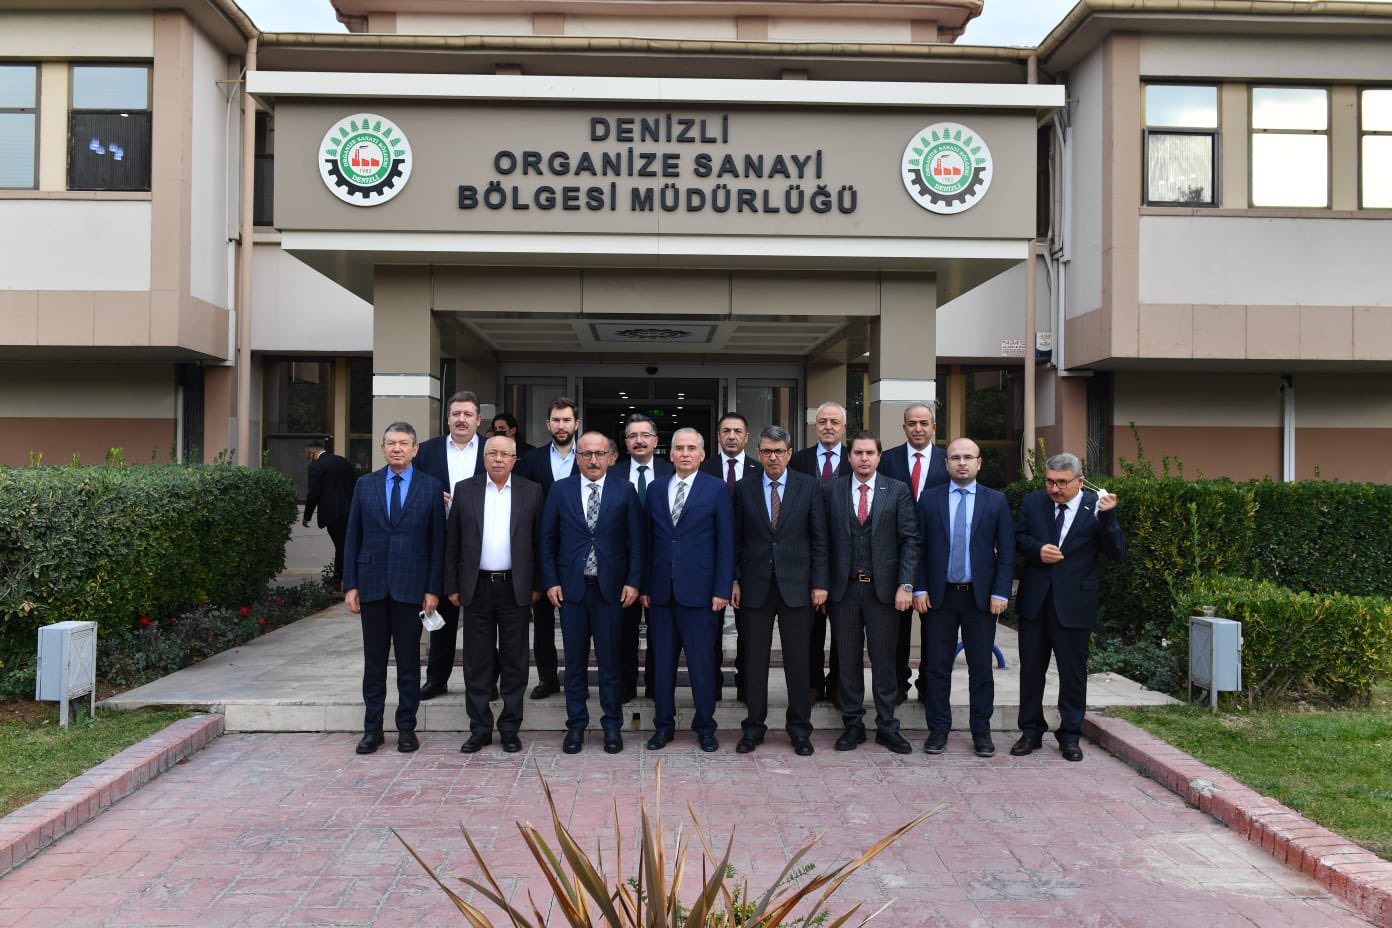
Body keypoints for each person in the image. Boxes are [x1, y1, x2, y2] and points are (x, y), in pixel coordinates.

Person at [1012, 452, 1126, 762]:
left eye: (1062, 483)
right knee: (1031, 671)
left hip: (1075, 604)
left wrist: (1110, 518)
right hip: (1035, 602)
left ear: (1079, 481)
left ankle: (1070, 736)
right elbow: (1017, 538)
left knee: (1072, 674)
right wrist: (1037, 550)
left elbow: (1116, 553)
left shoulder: (1096, 506)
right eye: (1049, 481)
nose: (1055, 489)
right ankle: (1030, 732)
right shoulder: (1033, 502)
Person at [342, 422, 445, 755]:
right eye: (391, 443)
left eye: (404, 443)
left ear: (415, 449)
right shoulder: (365, 485)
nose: (397, 448)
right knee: (374, 664)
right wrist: (350, 584)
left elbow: (437, 543)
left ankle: (406, 729)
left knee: (408, 663)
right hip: (372, 584)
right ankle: (372, 729)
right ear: (382, 448)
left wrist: (433, 589)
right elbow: (353, 537)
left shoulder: (431, 487)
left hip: (411, 587)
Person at [541, 431, 644, 754]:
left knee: (610, 664)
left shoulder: (624, 490)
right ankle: (576, 726)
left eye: (600, 453)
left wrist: (633, 582)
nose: (593, 460)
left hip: (610, 592)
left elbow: (637, 542)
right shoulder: (560, 490)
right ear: (577, 458)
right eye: (586, 454)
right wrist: (551, 581)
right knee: (574, 664)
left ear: (611, 457)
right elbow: (547, 541)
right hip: (572, 592)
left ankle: (612, 726)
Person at [443, 434, 544, 755]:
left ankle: (510, 727)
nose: (498, 459)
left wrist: (538, 585)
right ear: (484, 458)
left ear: (515, 459)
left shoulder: (532, 491)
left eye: (505, 454)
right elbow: (453, 542)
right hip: (477, 588)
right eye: (492, 453)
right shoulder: (465, 489)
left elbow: (540, 543)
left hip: (515, 588)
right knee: (477, 661)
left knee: (515, 660)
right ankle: (480, 728)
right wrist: (452, 586)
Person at [914, 437, 1015, 758]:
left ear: (979, 463)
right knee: (937, 667)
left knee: (980, 667)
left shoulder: (995, 501)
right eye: (955, 457)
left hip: (980, 599)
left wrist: (1000, 591)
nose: (961, 462)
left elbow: (1007, 552)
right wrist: (919, 588)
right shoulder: (929, 499)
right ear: (946, 464)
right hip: (939, 598)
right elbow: (917, 548)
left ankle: (981, 731)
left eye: (968, 457)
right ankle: (938, 729)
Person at [731, 425, 828, 756]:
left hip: (797, 587)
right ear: (758, 454)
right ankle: (753, 728)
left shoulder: (809, 486)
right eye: (767, 451)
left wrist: (819, 583)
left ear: (789, 454)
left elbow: (819, 539)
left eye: (779, 452)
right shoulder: (744, 488)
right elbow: (736, 539)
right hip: (754, 587)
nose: (773, 457)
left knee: (798, 661)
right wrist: (734, 580)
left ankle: (799, 730)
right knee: (754, 662)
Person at [824, 431, 921, 754]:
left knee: (884, 662)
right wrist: (821, 585)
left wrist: (906, 584)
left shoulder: (897, 490)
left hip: (885, 593)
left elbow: (910, 540)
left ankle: (887, 726)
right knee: (847, 661)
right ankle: (852, 724)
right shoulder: (832, 490)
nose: (864, 458)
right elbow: (822, 542)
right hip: (844, 592)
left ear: (879, 457)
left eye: (870, 453)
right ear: (849, 457)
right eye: (858, 453)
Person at [641, 427, 734, 752]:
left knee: (702, 665)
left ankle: (705, 727)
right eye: (679, 448)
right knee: (662, 666)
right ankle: (663, 727)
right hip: (661, 593)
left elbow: (726, 543)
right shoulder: (656, 489)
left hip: (701, 594)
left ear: (702, 454)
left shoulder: (716, 488)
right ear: (670, 454)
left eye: (691, 448)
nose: (684, 453)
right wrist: (645, 585)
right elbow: (648, 540)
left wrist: (722, 588)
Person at [877, 403, 950, 704]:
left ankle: (929, 684)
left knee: (935, 625)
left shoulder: (949, 459)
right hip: (896, 555)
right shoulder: (888, 460)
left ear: (934, 427)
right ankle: (897, 684)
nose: (918, 428)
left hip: (937, 556)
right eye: (912, 423)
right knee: (897, 626)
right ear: (904, 427)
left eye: (923, 423)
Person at [417, 391, 487, 701]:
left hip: (482, 548)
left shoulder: (491, 450)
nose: (461, 419)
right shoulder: (426, 451)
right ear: (447, 418)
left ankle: (485, 681)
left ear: (478, 419)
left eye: (468, 414)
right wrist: (431, 498)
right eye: (456, 414)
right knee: (441, 618)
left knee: (482, 623)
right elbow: (414, 490)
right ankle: (437, 679)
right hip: (440, 546)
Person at [789, 401, 852, 707]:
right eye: (823, 421)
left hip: (846, 556)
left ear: (844, 427)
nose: (828, 426)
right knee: (810, 628)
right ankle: (813, 683)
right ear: (815, 426)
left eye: (834, 422)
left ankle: (838, 684)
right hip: (807, 555)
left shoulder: (855, 458)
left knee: (844, 627)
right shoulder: (798, 460)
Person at [518, 396, 581, 699]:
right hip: (541, 551)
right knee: (542, 621)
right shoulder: (532, 460)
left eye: (566, 420)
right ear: (547, 424)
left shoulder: (589, 457)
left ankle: (577, 678)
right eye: (556, 420)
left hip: (579, 554)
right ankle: (547, 678)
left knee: (579, 622)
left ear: (576, 424)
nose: (561, 425)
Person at [699, 411, 760, 701]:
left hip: (751, 565)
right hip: (710, 564)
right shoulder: (704, 468)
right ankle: (712, 687)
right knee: (710, 632)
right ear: (718, 436)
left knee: (749, 632)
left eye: (737, 431)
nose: (732, 436)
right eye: (726, 431)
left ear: (746, 437)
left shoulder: (760, 469)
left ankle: (746, 686)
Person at [616, 413, 673, 702]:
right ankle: (625, 687)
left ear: (656, 440)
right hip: (621, 569)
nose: (639, 440)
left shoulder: (672, 472)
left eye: (645, 435)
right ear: (625, 442)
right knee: (623, 633)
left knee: (660, 634)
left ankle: (655, 687)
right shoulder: (612, 473)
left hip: (661, 566)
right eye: (632, 436)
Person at [302, 438, 356, 589]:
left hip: (332, 513)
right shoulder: (343, 461)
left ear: (312, 453)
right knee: (346, 544)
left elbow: (313, 493)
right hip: (350, 510)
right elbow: (354, 484)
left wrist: (307, 516)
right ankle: (344, 578)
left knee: (341, 546)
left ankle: (339, 580)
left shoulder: (316, 466)